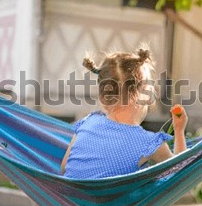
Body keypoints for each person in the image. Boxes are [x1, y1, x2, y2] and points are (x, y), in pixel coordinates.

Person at [61, 47, 188, 179]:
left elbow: (65, 167)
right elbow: (179, 175)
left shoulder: (87, 123)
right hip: (113, 199)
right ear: (143, 95)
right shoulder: (150, 144)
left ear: (103, 98)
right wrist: (179, 131)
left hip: (69, 198)